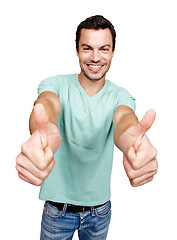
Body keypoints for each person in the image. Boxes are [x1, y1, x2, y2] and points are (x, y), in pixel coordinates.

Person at [16, 15, 158, 240]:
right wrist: (42, 129)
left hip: (100, 211)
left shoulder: (120, 96)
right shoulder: (56, 84)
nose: (95, 57)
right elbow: (47, 104)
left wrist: (132, 139)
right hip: (57, 210)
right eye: (87, 48)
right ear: (76, 50)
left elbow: (125, 119)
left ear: (112, 52)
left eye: (104, 49)